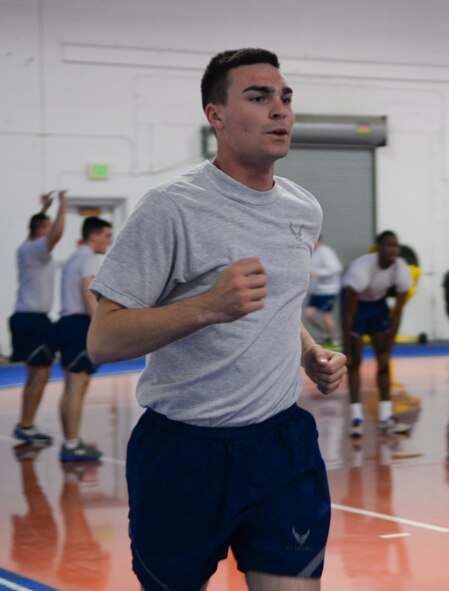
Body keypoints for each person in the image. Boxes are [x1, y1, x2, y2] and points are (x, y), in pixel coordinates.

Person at [87, 48, 346, 591]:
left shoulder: (304, 208)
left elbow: (276, 304)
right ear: (216, 115)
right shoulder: (171, 208)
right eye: (258, 97)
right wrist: (207, 306)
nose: (280, 110)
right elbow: (104, 340)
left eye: (285, 97)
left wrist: (307, 353)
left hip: (281, 446)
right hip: (183, 452)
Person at [342, 230, 413, 438]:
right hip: (356, 306)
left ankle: (385, 417)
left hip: (378, 304)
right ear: (378, 247)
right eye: (388, 245)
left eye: (396, 245)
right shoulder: (361, 269)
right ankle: (356, 418)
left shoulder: (401, 268)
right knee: (354, 362)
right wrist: (347, 346)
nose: (393, 249)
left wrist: (388, 350)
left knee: (383, 361)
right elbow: (348, 313)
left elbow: (397, 313)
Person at [10, 189, 68, 445]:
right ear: (40, 230)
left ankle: (26, 424)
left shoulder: (26, 246)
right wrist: (63, 204)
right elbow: (56, 233)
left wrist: (45, 209)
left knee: (37, 373)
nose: (50, 231)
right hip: (33, 320)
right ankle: (26, 424)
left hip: (28, 318)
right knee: (40, 374)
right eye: (46, 226)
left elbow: (39, 228)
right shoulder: (36, 249)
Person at [57, 216, 113, 461]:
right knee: (77, 386)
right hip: (79, 324)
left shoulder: (74, 256)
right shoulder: (88, 258)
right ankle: (71, 444)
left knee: (71, 386)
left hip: (68, 323)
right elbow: (88, 292)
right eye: (107, 235)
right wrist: (99, 325)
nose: (109, 241)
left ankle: (71, 440)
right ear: (94, 235)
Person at [305, 235, 342, 346]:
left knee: (326, 315)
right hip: (316, 291)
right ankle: (326, 334)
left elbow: (336, 268)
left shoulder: (326, 252)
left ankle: (335, 340)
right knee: (309, 315)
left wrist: (318, 273)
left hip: (328, 290)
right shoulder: (312, 252)